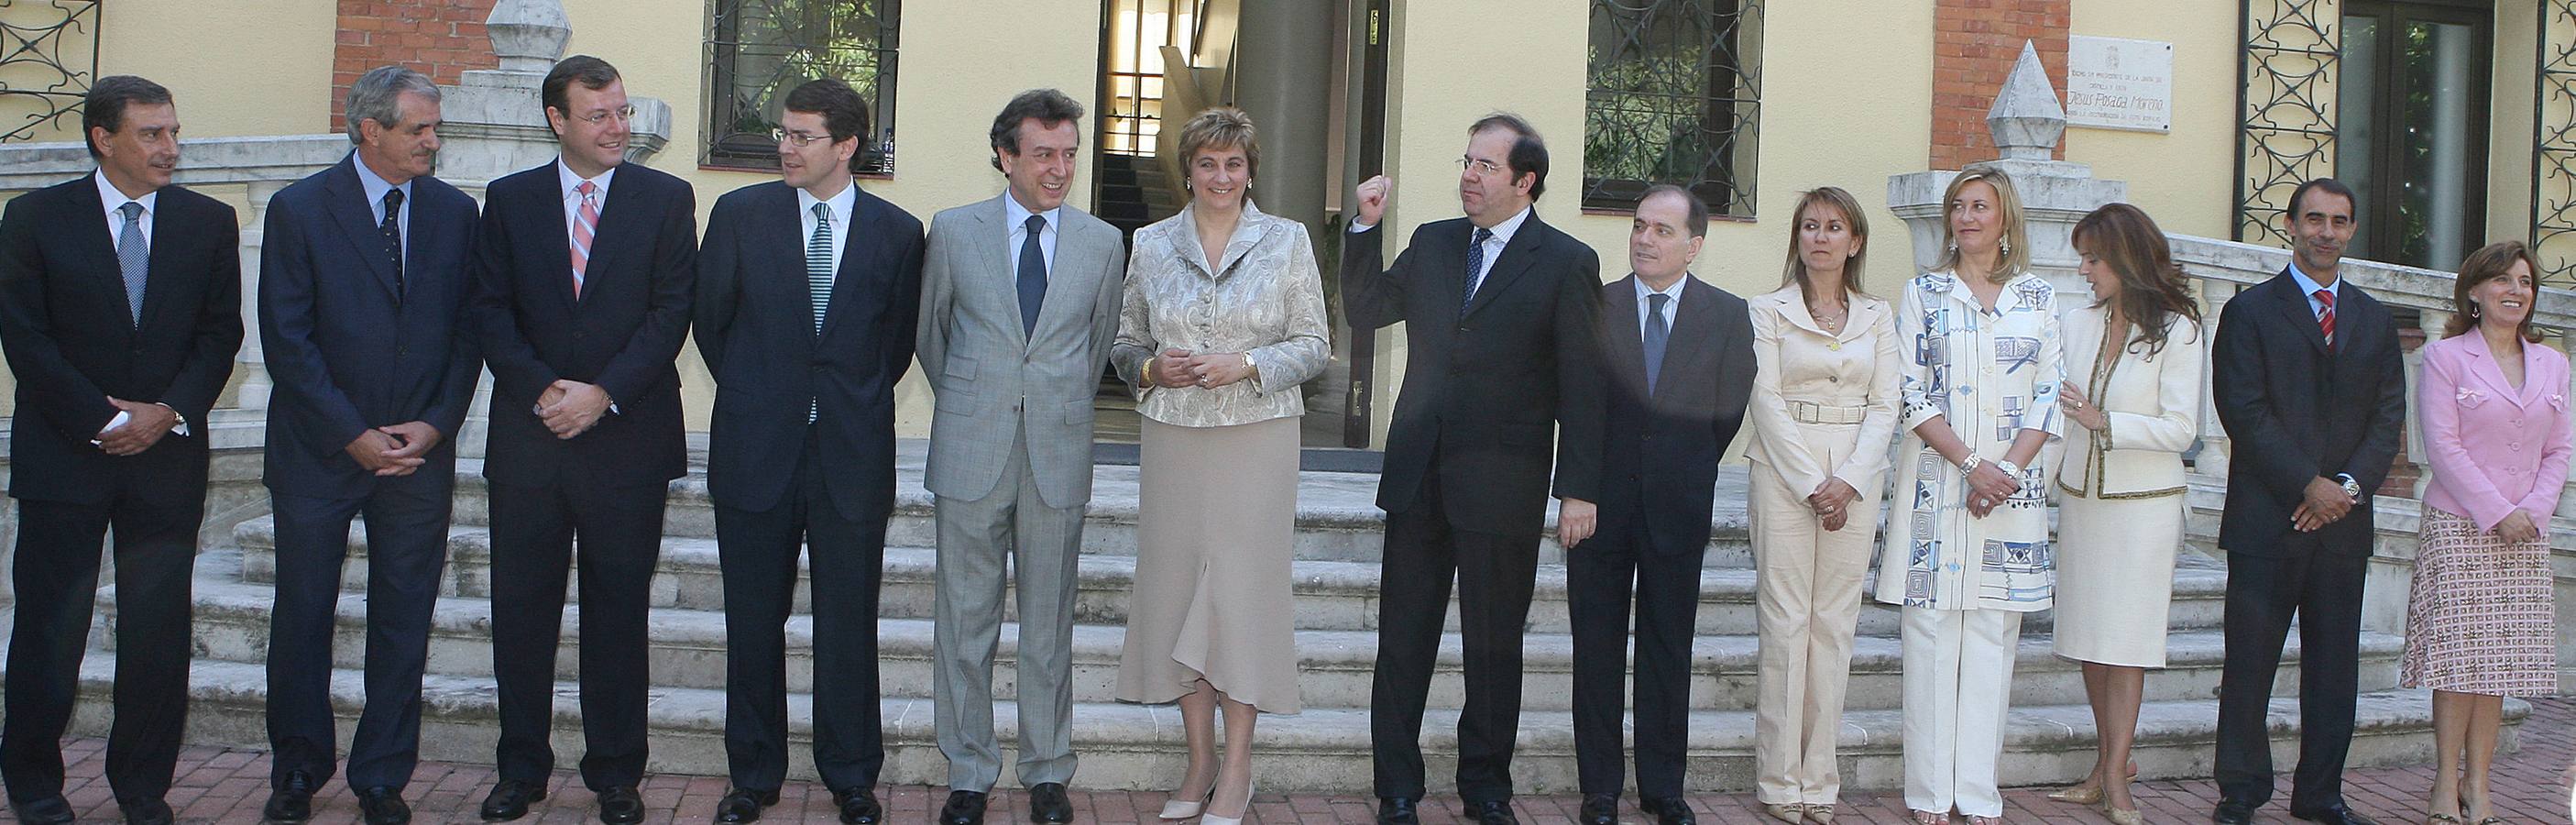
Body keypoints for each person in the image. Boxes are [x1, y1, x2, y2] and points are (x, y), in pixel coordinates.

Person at [1342, 113, 1604, 825]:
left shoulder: (1566, 262)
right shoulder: (1432, 243)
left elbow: (1583, 382)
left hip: (1504, 482)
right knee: (1402, 640)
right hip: (1419, 473)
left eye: (1485, 166)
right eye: (1466, 161)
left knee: (1493, 645)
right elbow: (1364, 310)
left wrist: (1578, 486)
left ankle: (1485, 786)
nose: (1468, 174)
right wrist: (1363, 230)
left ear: (1525, 181)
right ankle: (1396, 786)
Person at [0, 75, 242, 825]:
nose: (171, 148)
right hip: (64, 458)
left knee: (157, 634)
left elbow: (219, 333)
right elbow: (25, 336)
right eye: (152, 134)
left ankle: (143, 789)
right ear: (104, 139)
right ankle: (35, 787)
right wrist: (101, 420)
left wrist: (166, 411)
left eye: (173, 131)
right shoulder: (34, 217)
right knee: (49, 630)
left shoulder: (208, 221)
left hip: (165, 460)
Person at [466, 55, 696, 825]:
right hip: (531, 439)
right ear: (557, 120)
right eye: (599, 115)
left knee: (616, 614)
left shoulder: (666, 199)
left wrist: (603, 394)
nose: (617, 128)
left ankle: (615, 773)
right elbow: (490, 309)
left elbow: (671, 313)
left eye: (622, 113)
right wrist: (543, 390)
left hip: (625, 438)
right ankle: (521, 769)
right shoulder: (509, 200)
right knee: (521, 612)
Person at [258, 65, 482, 825]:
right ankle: (297, 769)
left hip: (417, 453)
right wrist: (351, 434)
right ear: (370, 129)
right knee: (303, 613)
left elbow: (467, 334)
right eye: (417, 128)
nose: (432, 140)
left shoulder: (456, 214)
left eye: (434, 127)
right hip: (319, 452)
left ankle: (382, 776)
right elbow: (287, 341)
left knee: (403, 617)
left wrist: (436, 422)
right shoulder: (299, 210)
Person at [694, 78, 923, 825]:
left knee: (848, 622)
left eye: (800, 136)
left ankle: (852, 776)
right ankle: (752, 777)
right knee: (752, 621)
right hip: (755, 450)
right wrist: (774, 397)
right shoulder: (738, 215)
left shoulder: (897, 232)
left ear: (846, 145)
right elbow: (713, 326)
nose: (783, 147)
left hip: (851, 456)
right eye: (781, 133)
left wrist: (833, 406)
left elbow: (890, 347)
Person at [1107, 106, 1329, 825]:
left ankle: (1236, 770)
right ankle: (1197, 758)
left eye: (1234, 164)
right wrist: (1149, 368)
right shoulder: (1148, 242)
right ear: (1189, 170)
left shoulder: (1287, 240)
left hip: (1256, 440)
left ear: (1249, 170)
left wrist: (1248, 362)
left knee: (1240, 601)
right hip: (1172, 440)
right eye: (1208, 163)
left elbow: (1313, 345)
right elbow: (1122, 341)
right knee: (1175, 598)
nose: (1221, 177)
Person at [917, 88, 1126, 825]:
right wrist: (982, 401)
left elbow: (1094, 347)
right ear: (1006, 156)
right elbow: (931, 336)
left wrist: (1045, 401)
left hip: (1057, 453)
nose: (1059, 168)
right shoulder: (952, 231)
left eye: (1069, 154)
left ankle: (1046, 770)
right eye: (1043, 154)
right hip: (972, 451)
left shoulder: (1103, 243)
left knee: (1049, 625)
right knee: (963, 623)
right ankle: (969, 772)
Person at [2210, 178, 2406, 825]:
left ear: (2351, 230)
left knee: (2332, 670)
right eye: (2314, 219)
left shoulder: (2375, 320)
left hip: (2341, 527)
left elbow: (2386, 418)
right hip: (2267, 519)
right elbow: (2243, 409)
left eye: (2339, 221)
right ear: (2290, 225)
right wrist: (2306, 484)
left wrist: (2344, 490)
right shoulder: (2249, 311)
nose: (2326, 231)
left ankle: (2320, 794)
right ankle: (2240, 792)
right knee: (2248, 667)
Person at [1874, 164, 2063, 825]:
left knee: (1992, 640)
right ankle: (1929, 794)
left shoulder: (2038, 298)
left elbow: (2048, 395)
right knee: (1927, 637)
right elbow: (1910, 392)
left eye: (1978, 206)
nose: (1965, 218)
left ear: (2004, 218)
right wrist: (1971, 465)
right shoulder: (1924, 293)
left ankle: (1978, 794)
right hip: (1936, 485)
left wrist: (2002, 472)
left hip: (2010, 493)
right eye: (1957, 207)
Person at [1568, 184, 1752, 825]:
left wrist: (1687, 463)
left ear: (1693, 246)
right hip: (1597, 507)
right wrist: (1577, 490)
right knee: (1595, 648)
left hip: (1677, 505)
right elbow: (1577, 406)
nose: (1644, 239)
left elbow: (1728, 408)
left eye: (1661, 231)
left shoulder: (1727, 315)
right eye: (1639, 226)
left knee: (1667, 648)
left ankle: (1662, 788)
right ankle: (1599, 791)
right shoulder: (1597, 305)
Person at [2045, 203, 2205, 825]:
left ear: (2124, 258)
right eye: (2082, 258)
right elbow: (2054, 410)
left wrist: (2104, 421)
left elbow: (2181, 429)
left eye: (2092, 258)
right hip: (2083, 502)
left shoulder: (2178, 328)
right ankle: (2103, 761)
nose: (2083, 269)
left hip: (2143, 509)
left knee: (2127, 642)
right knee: (2089, 637)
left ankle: (2116, 773)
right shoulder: (2077, 322)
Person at [1742, 186, 1896, 825]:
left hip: (1855, 475)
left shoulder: (1877, 315)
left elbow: (1887, 403)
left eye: (1834, 227)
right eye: (1809, 226)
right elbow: (1765, 399)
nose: (1820, 237)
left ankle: (1818, 781)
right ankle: (1778, 781)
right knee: (1784, 624)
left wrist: (1850, 479)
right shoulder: (1766, 310)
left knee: (1833, 626)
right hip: (1783, 471)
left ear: (1854, 241)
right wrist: (1812, 483)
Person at [2406, 240, 2564, 825]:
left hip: (2527, 530)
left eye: (2524, 281)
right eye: (2502, 280)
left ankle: (2482, 784)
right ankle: (2445, 783)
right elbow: (2442, 447)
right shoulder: (2447, 358)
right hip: (2460, 524)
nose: (2515, 291)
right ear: (2474, 291)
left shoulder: (2554, 364)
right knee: (2458, 661)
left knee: (2498, 664)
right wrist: (2498, 511)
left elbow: (2560, 449)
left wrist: (2534, 511)